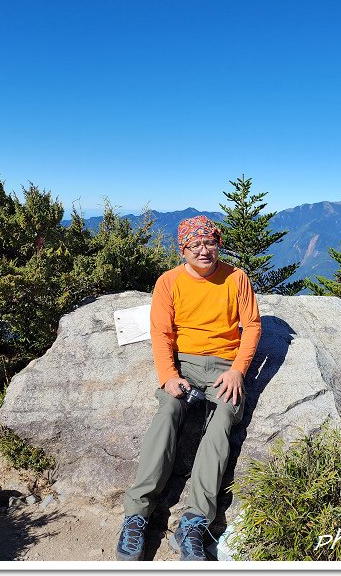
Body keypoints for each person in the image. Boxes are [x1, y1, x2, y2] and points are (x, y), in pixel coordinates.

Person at [116, 215, 262, 561]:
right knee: (168, 411)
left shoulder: (236, 278)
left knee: (223, 421)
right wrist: (168, 375)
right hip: (184, 364)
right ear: (183, 250)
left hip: (225, 367)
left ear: (218, 244)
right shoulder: (169, 282)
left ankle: (195, 521)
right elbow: (162, 333)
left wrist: (239, 371)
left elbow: (252, 327)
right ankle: (136, 513)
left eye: (209, 242)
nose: (203, 250)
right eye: (194, 245)